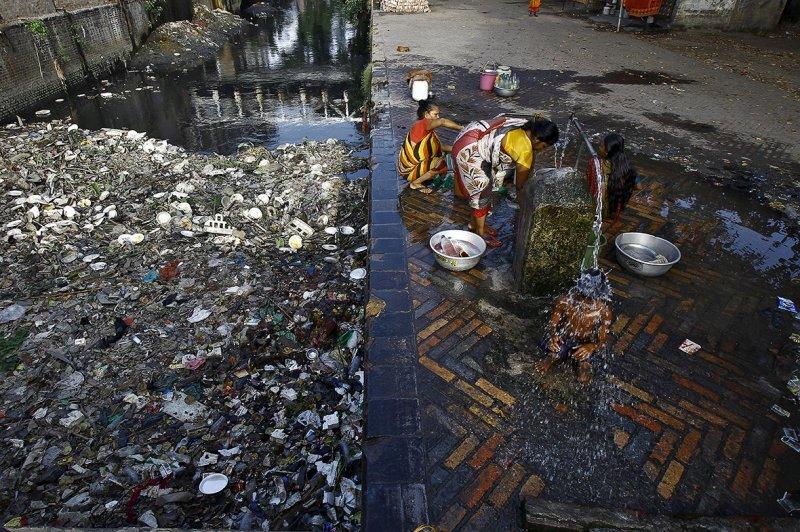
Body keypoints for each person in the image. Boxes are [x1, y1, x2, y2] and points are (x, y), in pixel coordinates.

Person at [452, 115, 559, 247]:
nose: (543, 150)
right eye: (544, 146)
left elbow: (529, 167)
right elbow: (520, 186)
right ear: (537, 140)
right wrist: (524, 206)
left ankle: (475, 224)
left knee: (484, 189)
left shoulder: (527, 125)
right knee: (482, 192)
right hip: (469, 150)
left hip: (470, 135)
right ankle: (480, 233)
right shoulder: (524, 150)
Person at [535, 268, 613, 385]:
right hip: (564, 339)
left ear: (600, 295)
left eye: (591, 299)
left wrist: (591, 346)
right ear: (577, 289)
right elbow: (552, 324)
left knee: (584, 370)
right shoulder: (564, 301)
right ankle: (553, 356)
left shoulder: (604, 311)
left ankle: (584, 364)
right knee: (555, 351)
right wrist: (553, 334)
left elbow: (602, 339)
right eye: (583, 296)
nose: (586, 302)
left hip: (584, 344)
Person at [398, 100, 462, 194]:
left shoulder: (427, 130)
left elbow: (441, 147)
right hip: (408, 171)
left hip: (413, 168)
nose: (437, 117)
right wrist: (463, 128)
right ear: (426, 115)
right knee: (441, 163)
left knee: (443, 159)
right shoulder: (421, 124)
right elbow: (443, 121)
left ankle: (423, 177)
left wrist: (460, 149)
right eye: (435, 114)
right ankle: (415, 183)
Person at [587, 133, 640, 223]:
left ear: (607, 151)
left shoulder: (595, 164)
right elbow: (638, 187)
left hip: (597, 211)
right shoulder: (626, 167)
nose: (598, 148)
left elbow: (596, 190)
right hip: (615, 209)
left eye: (601, 146)